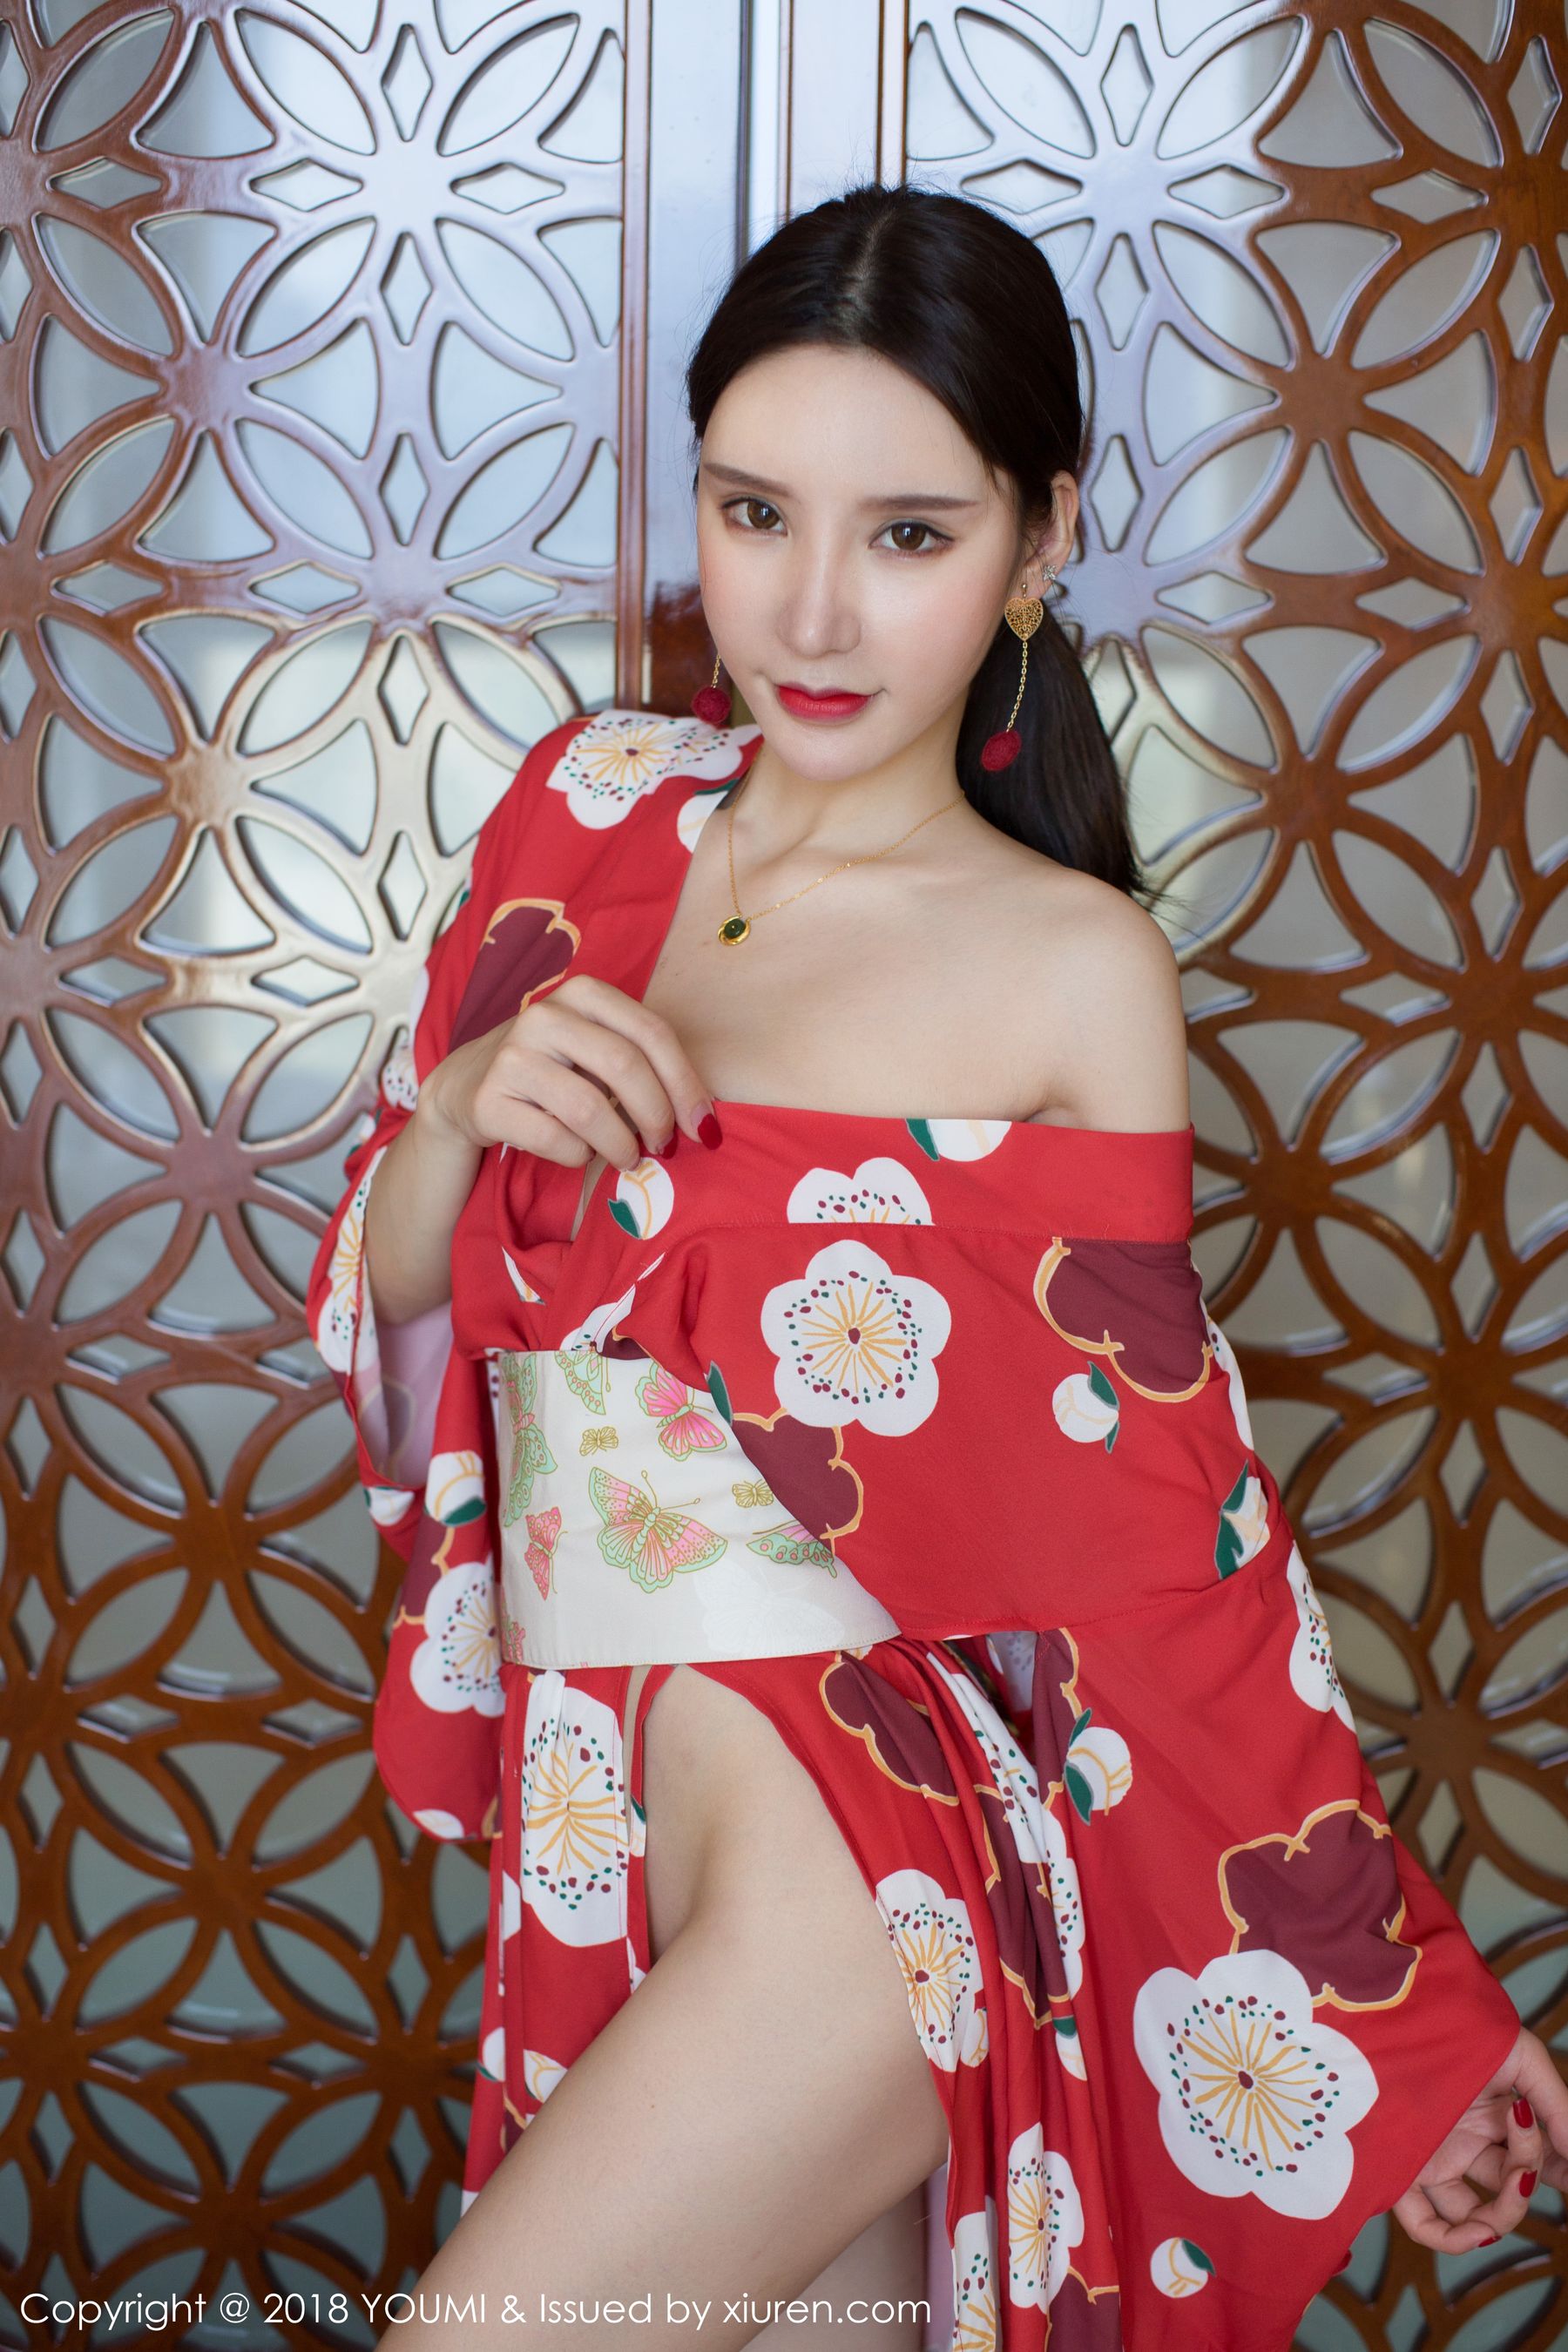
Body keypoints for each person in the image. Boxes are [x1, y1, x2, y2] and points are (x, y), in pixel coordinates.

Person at [308, 182, 1565, 2351]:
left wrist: (1400, 2005)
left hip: (871, 1874)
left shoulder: (1073, 970)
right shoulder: (581, 809)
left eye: (908, 534)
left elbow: (1158, 1526)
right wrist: (455, 1113)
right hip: (602, 1818)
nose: (810, 612)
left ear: (1041, 537)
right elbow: (409, 1315)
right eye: (754, 512)